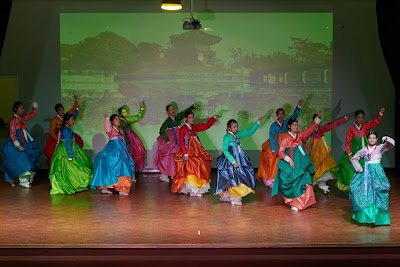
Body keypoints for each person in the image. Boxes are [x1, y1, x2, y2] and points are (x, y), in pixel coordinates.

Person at [271, 112, 321, 212]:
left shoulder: (300, 135)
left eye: (297, 125)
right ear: (289, 126)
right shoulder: (285, 138)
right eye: (294, 125)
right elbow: (280, 152)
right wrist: (289, 160)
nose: (296, 126)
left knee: (305, 177)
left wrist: (317, 119)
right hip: (292, 161)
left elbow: (310, 129)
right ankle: (294, 202)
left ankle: (302, 202)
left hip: (301, 161)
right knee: (291, 180)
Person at [214, 116, 263, 206]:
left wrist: (257, 123)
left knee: (241, 177)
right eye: (234, 127)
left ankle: (234, 197)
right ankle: (234, 199)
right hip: (230, 161)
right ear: (229, 128)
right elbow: (225, 150)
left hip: (239, 159)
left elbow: (248, 132)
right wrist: (233, 161)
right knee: (233, 179)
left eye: (236, 126)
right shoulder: (227, 137)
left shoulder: (237, 135)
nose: (236, 128)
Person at [350, 132, 395, 226]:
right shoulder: (364, 150)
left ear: (377, 139)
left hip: (377, 172)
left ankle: (378, 218)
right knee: (366, 192)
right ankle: (367, 217)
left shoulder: (380, 148)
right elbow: (354, 158)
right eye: (370, 138)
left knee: (379, 192)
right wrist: (359, 168)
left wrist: (386, 137)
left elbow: (391, 144)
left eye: (374, 138)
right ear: (367, 139)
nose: (372, 140)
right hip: (366, 172)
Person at [335, 108, 384, 192]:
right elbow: (347, 142)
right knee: (350, 170)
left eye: (362, 118)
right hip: (354, 151)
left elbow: (375, 122)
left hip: (364, 150)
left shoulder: (365, 126)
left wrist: (380, 113)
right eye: (358, 117)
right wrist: (350, 154)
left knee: (367, 168)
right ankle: (353, 190)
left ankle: (365, 189)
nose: (360, 119)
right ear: (355, 118)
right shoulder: (350, 129)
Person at [257, 99, 304, 188]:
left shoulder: (286, 122)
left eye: (282, 114)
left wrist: (299, 106)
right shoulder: (273, 125)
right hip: (275, 144)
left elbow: (294, 115)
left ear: (284, 115)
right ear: (276, 115)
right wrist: (274, 149)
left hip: (285, 143)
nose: (281, 115)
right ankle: (272, 179)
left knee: (285, 160)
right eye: (279, 114)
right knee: (273, 160)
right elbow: (271, 137)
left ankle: (285, 178)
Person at [171, 110, 218, 196]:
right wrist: (185, 153)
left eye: (193, 117)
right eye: (190, 118)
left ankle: (197, 187)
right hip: (187, 152)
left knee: (200, 164)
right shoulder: (182, 129)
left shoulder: (193, 127)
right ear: (186, 119)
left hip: (195, 151)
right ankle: (193, 190)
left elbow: (205, 126)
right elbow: (181, 141)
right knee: (191, 167)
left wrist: (213, 118)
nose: (192, 119)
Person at [303, 113, 350, 194]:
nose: (318, 121)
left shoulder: (322, 128)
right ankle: (310, 187)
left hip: (322, 153)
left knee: (324, 169)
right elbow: (304, 139)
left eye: (319, 119)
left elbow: (333, 124)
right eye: (317, 119)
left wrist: (344, 118)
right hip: (313, 154)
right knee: (314, 170)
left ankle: (324, 187)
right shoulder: (310, 130)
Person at [91, 114, 135, 195]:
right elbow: (107, 129)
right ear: (112, 121)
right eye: (116, 119)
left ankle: (122, 188)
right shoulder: (110, 129)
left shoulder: (121, 130)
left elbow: (122, 140)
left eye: (119, 119)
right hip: (112, 150)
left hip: (121, 150)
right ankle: (105, 187)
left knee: (123, 168)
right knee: (109, 168)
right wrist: (107, 119)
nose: (118, 120)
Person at [49, 113, 92, 195]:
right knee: (68, 168)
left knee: (73, 168)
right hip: (66, 150)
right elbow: (67, 143)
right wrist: (69, 155)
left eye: (73, 119)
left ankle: (76, 185)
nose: (73, 121)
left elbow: (73, 117)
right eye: (72, 120)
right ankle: (70, 185)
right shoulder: (66, 130)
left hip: (69, 147)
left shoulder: (66, 128)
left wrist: (77, 110)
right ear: (67, 121)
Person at [1, 100, 41, 188]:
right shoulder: (13, 121)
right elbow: (12, 134)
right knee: (22, 161)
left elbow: (33, 114)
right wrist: (18, 145)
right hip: (16, 143)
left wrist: (34, 104)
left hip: (24, 141)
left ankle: (24, 180)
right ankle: (22, 181)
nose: (23, 110)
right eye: (21, 108)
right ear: (16, 109)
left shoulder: (22, 118)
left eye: (23, 108)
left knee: (31, 156)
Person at [153, 103, 196, 182]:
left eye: (173, 109)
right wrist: (167, 140)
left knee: (179, 155)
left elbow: (184, 113)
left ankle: (176, 173)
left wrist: (192, 107)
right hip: (172, 138)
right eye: (170, 110)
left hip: (179, 136)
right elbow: (162, 131)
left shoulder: (177, 117)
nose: (172, 111)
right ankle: (166, 174)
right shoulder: (167, 121)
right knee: (169, 156)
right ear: (167, 112)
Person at [43, 93, 84, 168]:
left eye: (63, 109)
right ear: (57, 111)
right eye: (60, 110)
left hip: (65, 137)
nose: (62, 111)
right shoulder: (54, 120)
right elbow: (52, 131)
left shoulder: (66, 117)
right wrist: (57, 138)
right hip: (58, 138)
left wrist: (76, 105)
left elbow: (73, 113)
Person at [118, 102, 145, 171]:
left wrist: (141, 108)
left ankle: (131, 170)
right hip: (125, 139)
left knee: (138, 150)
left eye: (126, 111)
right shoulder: (119, 122)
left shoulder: (128, 120)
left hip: (132, 138)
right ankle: (125, 171)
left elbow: (138, 117)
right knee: (126, 154)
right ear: (120, 114)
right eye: (123, 112)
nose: (125, 113)